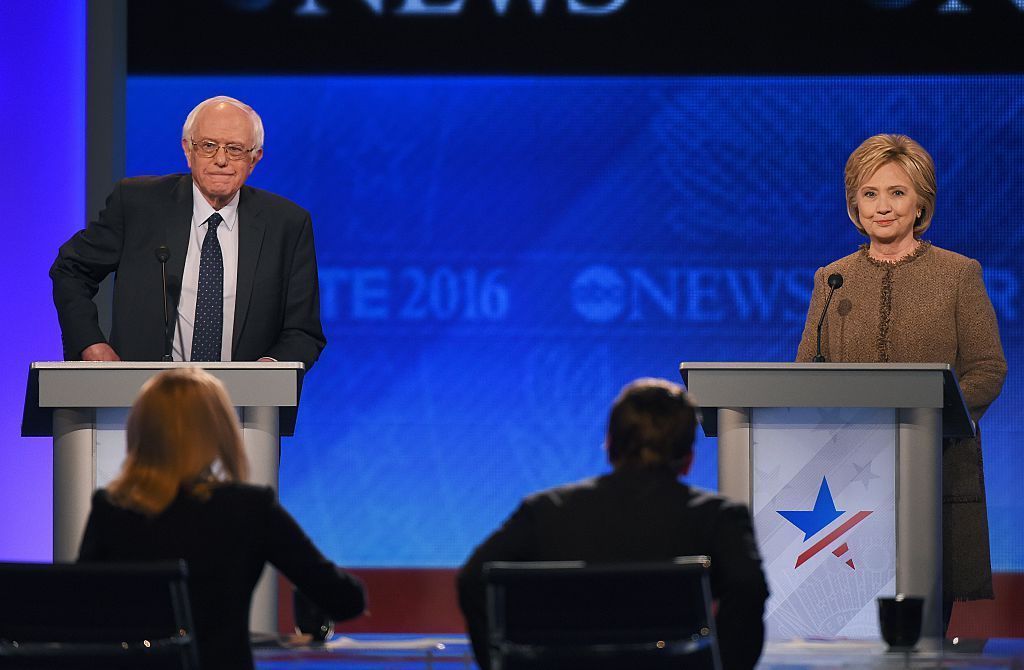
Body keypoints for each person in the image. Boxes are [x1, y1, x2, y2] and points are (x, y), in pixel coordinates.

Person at [796, 134, 1007, 619]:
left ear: (920, 203)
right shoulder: (834, 279)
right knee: (847, 613)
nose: (883, 207)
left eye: (897, 193)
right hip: (848, 472)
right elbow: (805, 372)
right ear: (854, 203)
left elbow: (988, 369)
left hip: (932, 461)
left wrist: (937, 416)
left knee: (925, 613)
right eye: (870, 194)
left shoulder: (958, 274)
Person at [457, 378, 769, 670]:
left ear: (609, 445)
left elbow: (472, 580)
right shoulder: (720, 518)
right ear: (689, 458)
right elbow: (748, 590)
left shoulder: (544, 512)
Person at [78, 368, 365, 670]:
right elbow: (344, 600)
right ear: (217, 429)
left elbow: (79, 611)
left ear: (141, 429)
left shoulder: (110, 508)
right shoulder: (251, 508)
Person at [51, 95, 325, 370]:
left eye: (235, 149)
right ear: (187, 150)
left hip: (243, 405)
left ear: (255, 158)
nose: (221, 160)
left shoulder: (287, 224)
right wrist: (90, 344)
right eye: (208, 146)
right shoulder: (138, 204)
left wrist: (268, 371)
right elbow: (71, 269)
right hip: (142, 397)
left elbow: (303, 331)